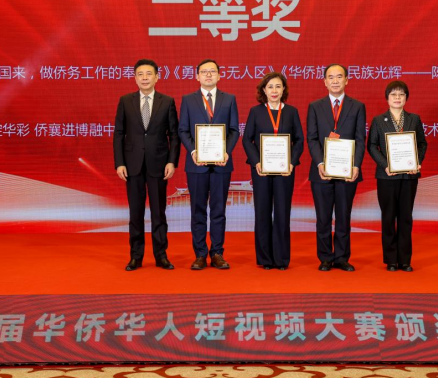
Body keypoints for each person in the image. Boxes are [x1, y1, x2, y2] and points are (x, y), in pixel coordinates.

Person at [114, 59, 180, 271]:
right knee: (135, 213)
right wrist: (119, 163)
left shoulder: (167, 101)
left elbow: (174, 135)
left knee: (159, 212)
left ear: (157, 77)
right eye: (140, 74)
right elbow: (118, 134)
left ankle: (161, 256)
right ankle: (136, 256)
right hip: (132, 165)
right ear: (135, 78)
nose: (144, 78)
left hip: (159, 164)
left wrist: (171, 161)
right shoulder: (126, 101)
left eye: (149, 74)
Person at [178, 59, 240, 270]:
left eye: (212, 71)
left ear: (219, 75)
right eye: (204, 72)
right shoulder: (188, 100)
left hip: (222, 163)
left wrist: (226, 151)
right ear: (197, 76)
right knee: (197, 210)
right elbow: (183, 130)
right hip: (196, 163)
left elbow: (234, 130)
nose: (208, 75)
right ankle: (200, 254)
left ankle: (217, 253)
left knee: (218, 210)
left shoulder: (229, 99)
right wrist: (193, 151)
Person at [307, 64, 366, 272]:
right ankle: (325, 257)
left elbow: (360, 139)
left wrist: (356, 165)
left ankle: (341, 257)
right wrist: (320, 163)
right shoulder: (315, 106)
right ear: (324, 82)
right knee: (323, 217)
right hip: (322, 172)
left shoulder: (357, 106)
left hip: (347, 171)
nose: (335, 81)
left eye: (339, 77)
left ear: (346, 80)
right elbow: (312, 138)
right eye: (330, 77)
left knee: (343, 215)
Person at [242, 72, 304, 270]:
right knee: (262, 212)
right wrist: (256, 162)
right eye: (270, 87)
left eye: (278, 86)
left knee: (282, 213)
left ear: (284, 89)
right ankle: (265, 259)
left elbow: (299, 140)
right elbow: (247, 139)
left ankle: (281, 259)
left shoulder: (292, 112)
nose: (274, 91)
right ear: (264, 90)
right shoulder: (256, 111)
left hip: (285, 170)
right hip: (262, 170)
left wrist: (292, 163)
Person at [368, 80, 427, 272]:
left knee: (405, 217)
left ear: (406, 98)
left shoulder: (414, 119)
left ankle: (405, 260)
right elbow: (372, 146)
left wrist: (417, 162)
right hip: (387, 176)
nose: (397, 98)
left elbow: (422, 144)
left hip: (409, 176)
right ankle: (391, 260)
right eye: (393, 94)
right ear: (387, 98)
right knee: (388, 217)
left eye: (401, 94)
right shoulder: (379, 120)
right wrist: (385, 165)